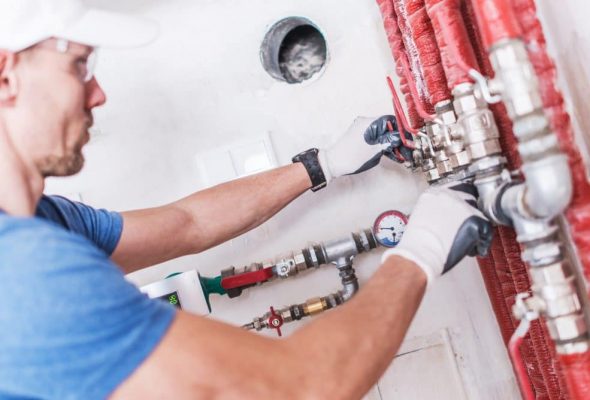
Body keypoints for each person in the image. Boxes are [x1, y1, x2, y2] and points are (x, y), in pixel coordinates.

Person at [0, 1, 492, 399]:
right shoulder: (20, 270)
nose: (98, 94)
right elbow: (301, 385)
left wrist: (322, 164)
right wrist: (421, 251)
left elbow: (186, 224)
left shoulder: (45, 221)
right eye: (79, 66)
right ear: (6, 75)